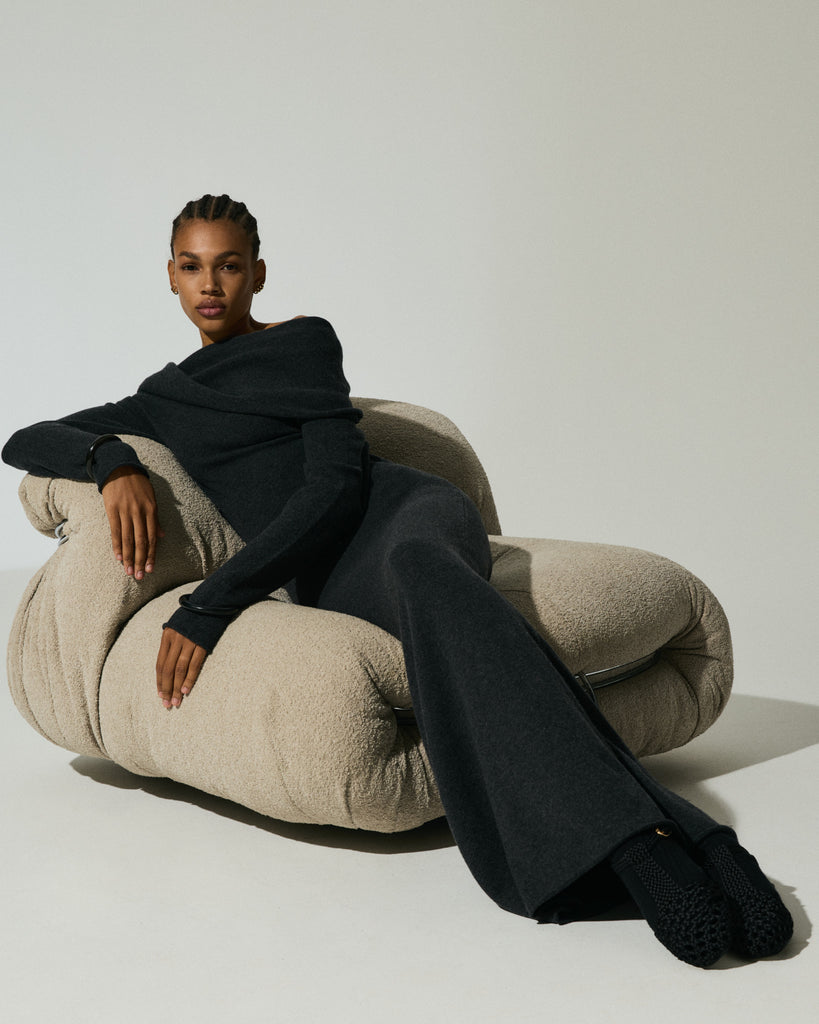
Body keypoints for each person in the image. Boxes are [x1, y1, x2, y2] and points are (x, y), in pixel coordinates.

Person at [2, 194, 793, 967]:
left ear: (258, 273)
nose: (210, 284)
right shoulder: (160, 401)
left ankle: (640, 848)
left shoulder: (302, 343)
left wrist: (212, 604)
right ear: (170, 276)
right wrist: (112, 458)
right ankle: (691, 841)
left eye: (229, 265)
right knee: (467, 634)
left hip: (404, 516)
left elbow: (332, 489)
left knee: (426, 577)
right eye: (192, 266)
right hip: (331, 576)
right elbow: (27, 437)